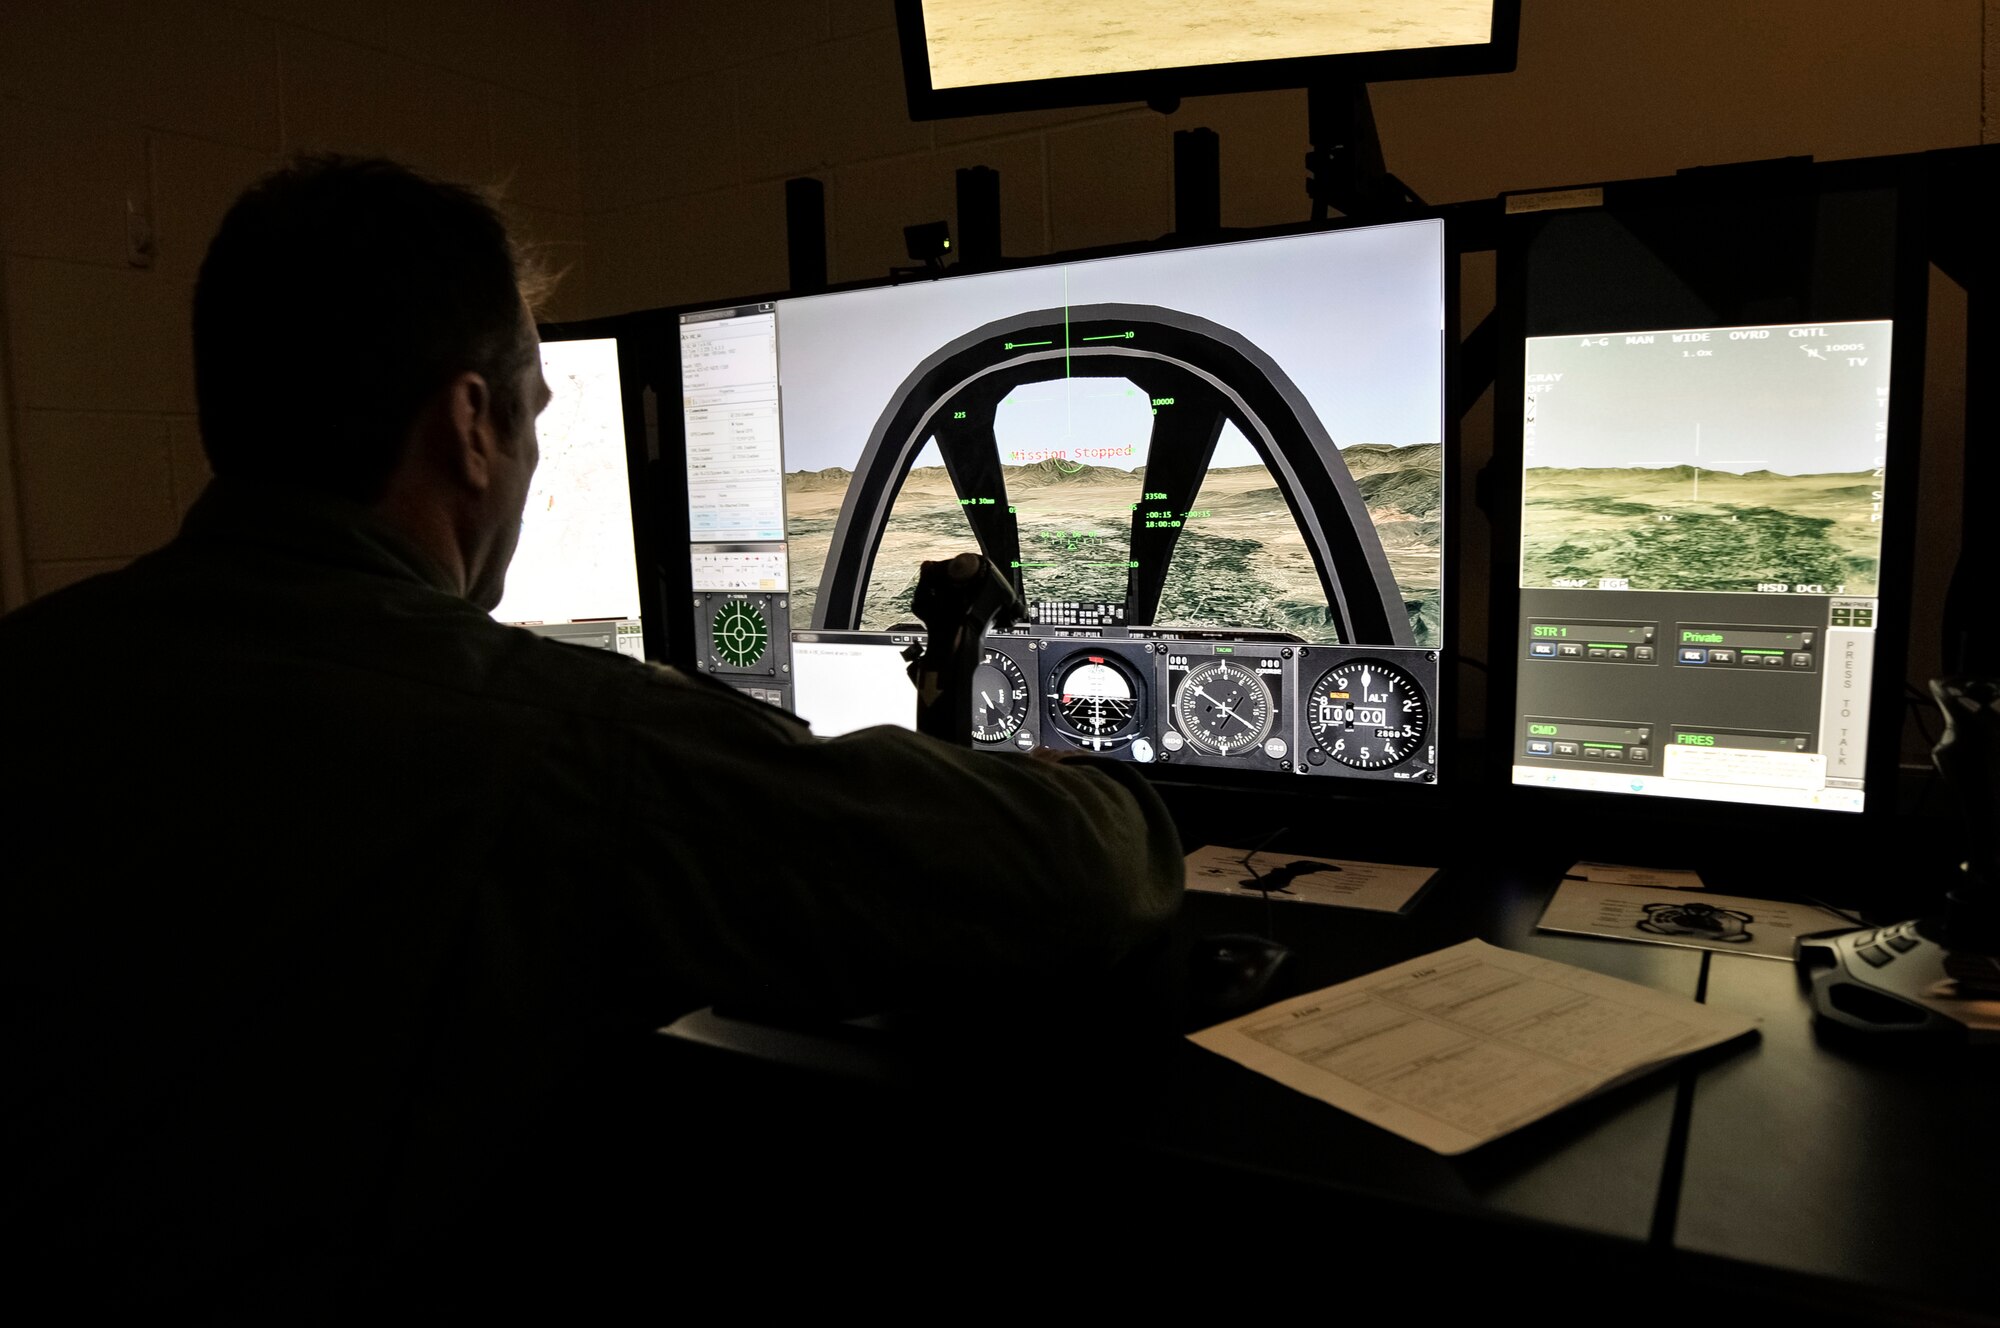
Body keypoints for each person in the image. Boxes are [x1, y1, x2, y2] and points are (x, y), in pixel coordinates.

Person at [0, 156, 1184, 1317]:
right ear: (471, 424)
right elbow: (1076, 870)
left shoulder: (33, 662)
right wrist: (1082, 784)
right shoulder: (550, 743)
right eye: (530, 417)